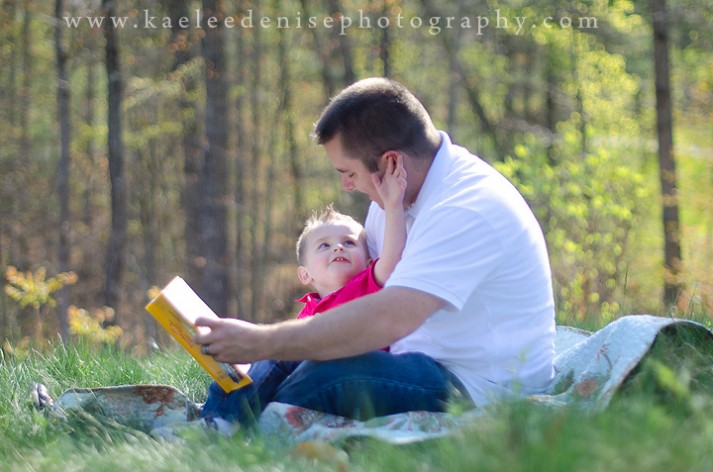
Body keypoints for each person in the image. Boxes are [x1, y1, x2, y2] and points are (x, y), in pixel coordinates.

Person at [195, 77, 556, 421]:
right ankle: (220, 423)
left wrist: (264, 340)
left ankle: (254, 440)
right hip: (411, 357)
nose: (347, 186)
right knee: (291, 352)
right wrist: (272, 347)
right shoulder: (390, 199)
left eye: (348, 172)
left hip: (479, 386)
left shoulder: (469, 208)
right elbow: (364, 292)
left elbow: (389, 317)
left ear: (391, 162)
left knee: (334, 371)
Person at [200, 156, 407, 424]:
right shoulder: (308, 312)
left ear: (368, 261)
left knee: (276, 352)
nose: (338, 247)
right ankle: (216, 418)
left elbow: (392, 259)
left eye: (349, 242)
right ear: (305, 274)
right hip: (316, 383)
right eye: (324, 245)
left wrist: (393, 206)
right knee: (255, 366)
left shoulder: (368, 284)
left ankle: (224, 420)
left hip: (354, 374)